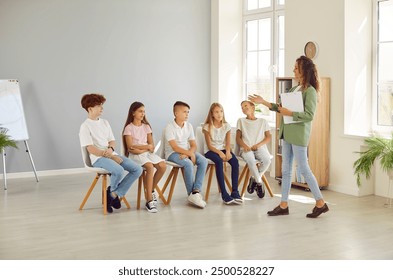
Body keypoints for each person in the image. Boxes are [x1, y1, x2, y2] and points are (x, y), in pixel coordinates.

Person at [249, 55, 329, 218]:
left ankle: (320, 203)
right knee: (286, 170)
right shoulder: (294, 89)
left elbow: (309, 115)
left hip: (299, 135)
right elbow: (280, 108)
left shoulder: (311, 91)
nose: (293, 70)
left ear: (303, 71)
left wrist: (290, 112)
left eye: (296, 67)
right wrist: (263, 102)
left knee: (304, 169)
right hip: (287, 134)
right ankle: (283, 204)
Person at [79, 93, 143, 214]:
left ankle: (112, 195)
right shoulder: (85, 126)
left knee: (137, 169)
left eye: (102, 105)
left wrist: (112, 150)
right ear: (90, 108)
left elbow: (112, 141)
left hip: (110, 154)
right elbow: (91, 149)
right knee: (118, 170)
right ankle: (113, 196)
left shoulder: (105, 122)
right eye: (99, 105)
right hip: (97, 158)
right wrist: (112, 156)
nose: (102, 108)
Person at [123, 101, 167, 213]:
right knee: (150, 167)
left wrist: (143, 147)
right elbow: (130, 147)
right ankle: (149, 200)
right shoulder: (129, 128)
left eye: (144, 111)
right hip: (135, 155)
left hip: (146, 153)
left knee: (162, 166)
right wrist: (145, 146)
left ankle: (150, 189)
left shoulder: (146, 127)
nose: (143, 114)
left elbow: (151, 147)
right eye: (140, 111)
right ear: (133, 113)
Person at [164, 101, 208, 208]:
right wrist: (189, 154)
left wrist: (190, 153)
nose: (187, 114)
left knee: (203, 161)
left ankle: (196, 191)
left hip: (187, 151)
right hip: (173, 154)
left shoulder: (189, 126)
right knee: (188, 164)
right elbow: (174, 147)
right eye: (184, 112)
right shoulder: (169, 127)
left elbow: (193, 144)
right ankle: (191, 194)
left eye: (188, 112)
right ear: (176, 113)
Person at [203, 103, 242, 205]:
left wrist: (228, 152)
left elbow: (228, 142)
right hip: (210, 151)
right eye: (216, 112)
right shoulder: (207, 127)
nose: (219, 114)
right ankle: (224, 194)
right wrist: (220, 153)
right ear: (212, 114)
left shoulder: (226, 126)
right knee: (219, 161)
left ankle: (235, 192)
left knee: (234, 161)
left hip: (223, 149)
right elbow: (209, 145)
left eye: (221, 111)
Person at [236, 100, 272, 198]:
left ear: (253, 107)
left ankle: (254, 179)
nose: (243, 108)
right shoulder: (241, 121)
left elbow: (268, 137)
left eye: (245, 106)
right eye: (242, 107)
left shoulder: (263, 121)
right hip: (246, 149)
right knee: (251, 161)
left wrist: (259, 145)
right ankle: (259, 183)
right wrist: (244, 146)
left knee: (267, 161)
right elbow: (238, 138)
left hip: (259, 148)